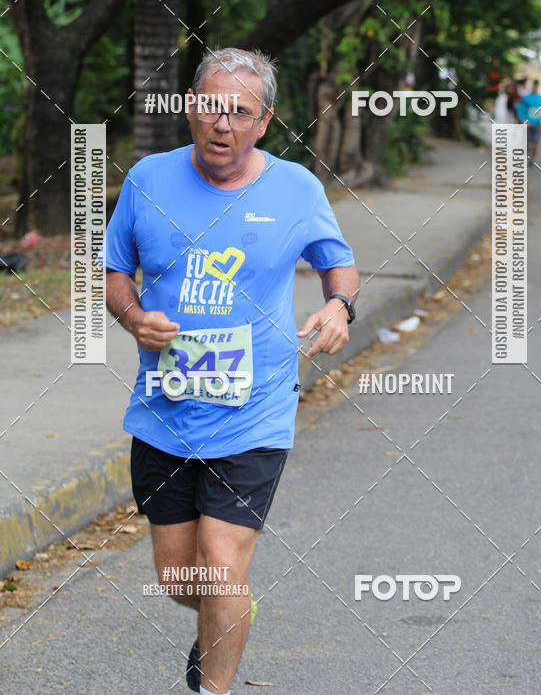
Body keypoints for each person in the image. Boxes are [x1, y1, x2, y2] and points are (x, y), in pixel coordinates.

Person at [102, 47, 359, 695]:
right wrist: (134, 318)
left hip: (256, 411)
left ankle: (212, 684)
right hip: (164, 410)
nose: (223, 124)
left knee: (220, 568)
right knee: (181, 579)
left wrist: (339, 305)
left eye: (240, 113)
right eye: (212, 107)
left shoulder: (296, 188)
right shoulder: (147, 180)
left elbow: (339, 263)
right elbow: (114, 275)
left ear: (265, 121)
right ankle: (230, 613)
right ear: (192, 107)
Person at [516, 79, 541, 165]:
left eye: (537, 86)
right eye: (534, 86)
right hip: (528, 124)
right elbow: (520, 110)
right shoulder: (526, 98)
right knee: (527, 144)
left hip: (537, 124)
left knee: (536, 144)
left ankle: (532, 159)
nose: (535, 88)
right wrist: (523, 120)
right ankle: (526, 156)